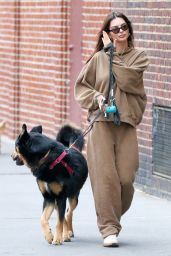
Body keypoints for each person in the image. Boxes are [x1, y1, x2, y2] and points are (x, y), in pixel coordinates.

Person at [74, 11, 149, 247]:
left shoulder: (138, 57)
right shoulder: (98, 58)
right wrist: (96, 97)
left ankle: (112, 217)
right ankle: (108, 229)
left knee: (126, 178)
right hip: (102, 126)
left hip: (126, 124)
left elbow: (128, 80)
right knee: (105, 178)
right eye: (115, 29)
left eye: (123, 27)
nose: (120, 31)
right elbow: (81, 87)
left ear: (129, 29)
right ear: (108, 33)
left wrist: (111, 53)